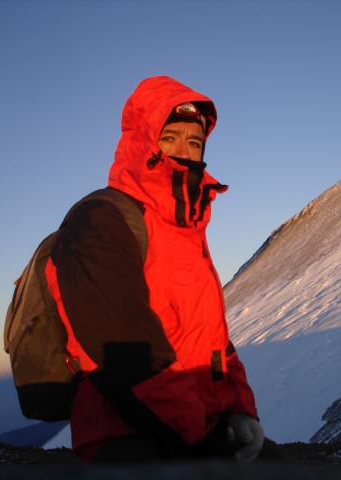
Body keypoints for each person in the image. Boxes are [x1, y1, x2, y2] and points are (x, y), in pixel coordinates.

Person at [45, 76, 266, 463]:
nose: (184, 151)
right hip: (124, 439)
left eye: (194, 142)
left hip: (197, 429)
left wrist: (240, 408)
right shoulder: (101, 221)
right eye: (169, 138)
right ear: (143, 143)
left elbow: (213, 342)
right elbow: (123, 352)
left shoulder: (186, 229)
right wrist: (201, 438)